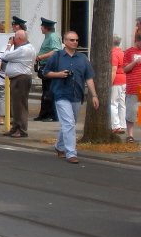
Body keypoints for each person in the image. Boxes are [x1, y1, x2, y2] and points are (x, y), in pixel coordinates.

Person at [42, 31, 99, 163]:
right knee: (69, 123)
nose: (75, 42)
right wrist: (59, 74)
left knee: (69, 124)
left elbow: (89, 78)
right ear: (65, 41)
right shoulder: (57, 56)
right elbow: (46, 73)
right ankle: (71, 153)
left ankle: (59, 146)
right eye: (72, 40)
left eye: (77, 40)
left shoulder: (83, 58)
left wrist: (94, 95)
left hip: (77, 96)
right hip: (61, 94)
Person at [0, 29, 36, 138]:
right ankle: (15, 127)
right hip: (18, 79)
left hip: (21, 79)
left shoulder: (24, 50)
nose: (13, 39)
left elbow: (5, 56)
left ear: (19, 39)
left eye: (14, 37)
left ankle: (22, 129)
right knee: (15, 105)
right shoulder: (24, 48)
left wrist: (9, 45)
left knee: (20, 105)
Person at [34, 17, 62, 121]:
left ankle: (51, 115)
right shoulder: (48, 36)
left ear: (46, 27)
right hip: (46, 66)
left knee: (50, 91)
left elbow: (56, 51)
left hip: (50, 66)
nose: (40, 28)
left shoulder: (52, 37)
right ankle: (44, 114)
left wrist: (41, 57)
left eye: (42, 26)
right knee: (46, 91)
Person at [123, 34, 141, 143]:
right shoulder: (129, 52)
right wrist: (135, 62)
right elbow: (125, 69)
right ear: (137, 41)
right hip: (133, 86)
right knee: (131, 111)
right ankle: (130, 135)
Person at [0, 35, 14, 125]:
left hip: (2, 78)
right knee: (12, 97)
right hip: (13, 78)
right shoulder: (18, 50)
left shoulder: (3, 50)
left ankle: (1, 118)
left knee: (1, 97)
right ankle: (12, 117)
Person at [111, 34, 127, 134]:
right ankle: (122, 123)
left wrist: (110, 82)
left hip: (116, 79)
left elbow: (113, 69)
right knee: (122, 103)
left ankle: (116, 125)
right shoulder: (122, 52)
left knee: (113, 103)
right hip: (124, 79)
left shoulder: (113, 53)